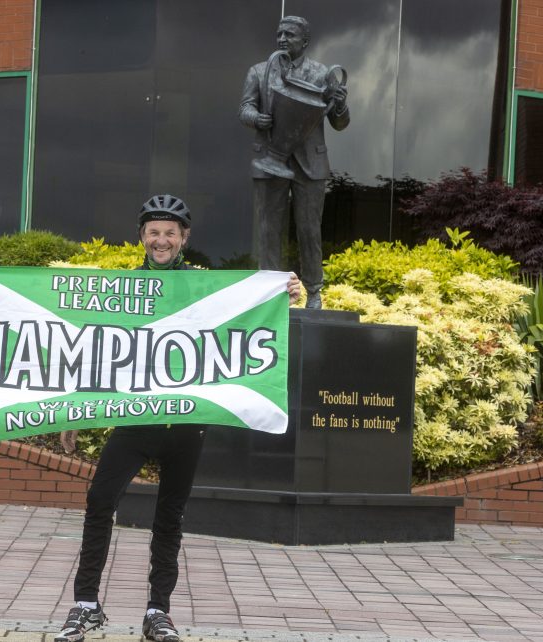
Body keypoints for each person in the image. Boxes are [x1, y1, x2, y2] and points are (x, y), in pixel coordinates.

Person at [53, 195, 301, 642]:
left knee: (170, 517)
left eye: (171, 232)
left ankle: (157, 612)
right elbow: (96, 350)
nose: (161, 239)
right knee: (99, 501)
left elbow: (245, 311)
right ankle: (85, 603)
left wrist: (283, 294)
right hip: (135, 421)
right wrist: (75, 410)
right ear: (141, 237)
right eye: (154, 231)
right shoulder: (122, 290)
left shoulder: (204, 287)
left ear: (185, 238)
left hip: (186, 423)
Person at [239, 15, 349, 309]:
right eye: (279, 34)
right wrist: (256, 118)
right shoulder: (260, 71)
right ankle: (270, 294)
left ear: (305, 41)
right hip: (269, 159)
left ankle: (314, 291)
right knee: (268, 230)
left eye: (289, 34)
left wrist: (340, 103)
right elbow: (245, 108)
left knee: (309, 229)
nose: (283, 39)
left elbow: (339, 123)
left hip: (309, 165)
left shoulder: (322, 73)